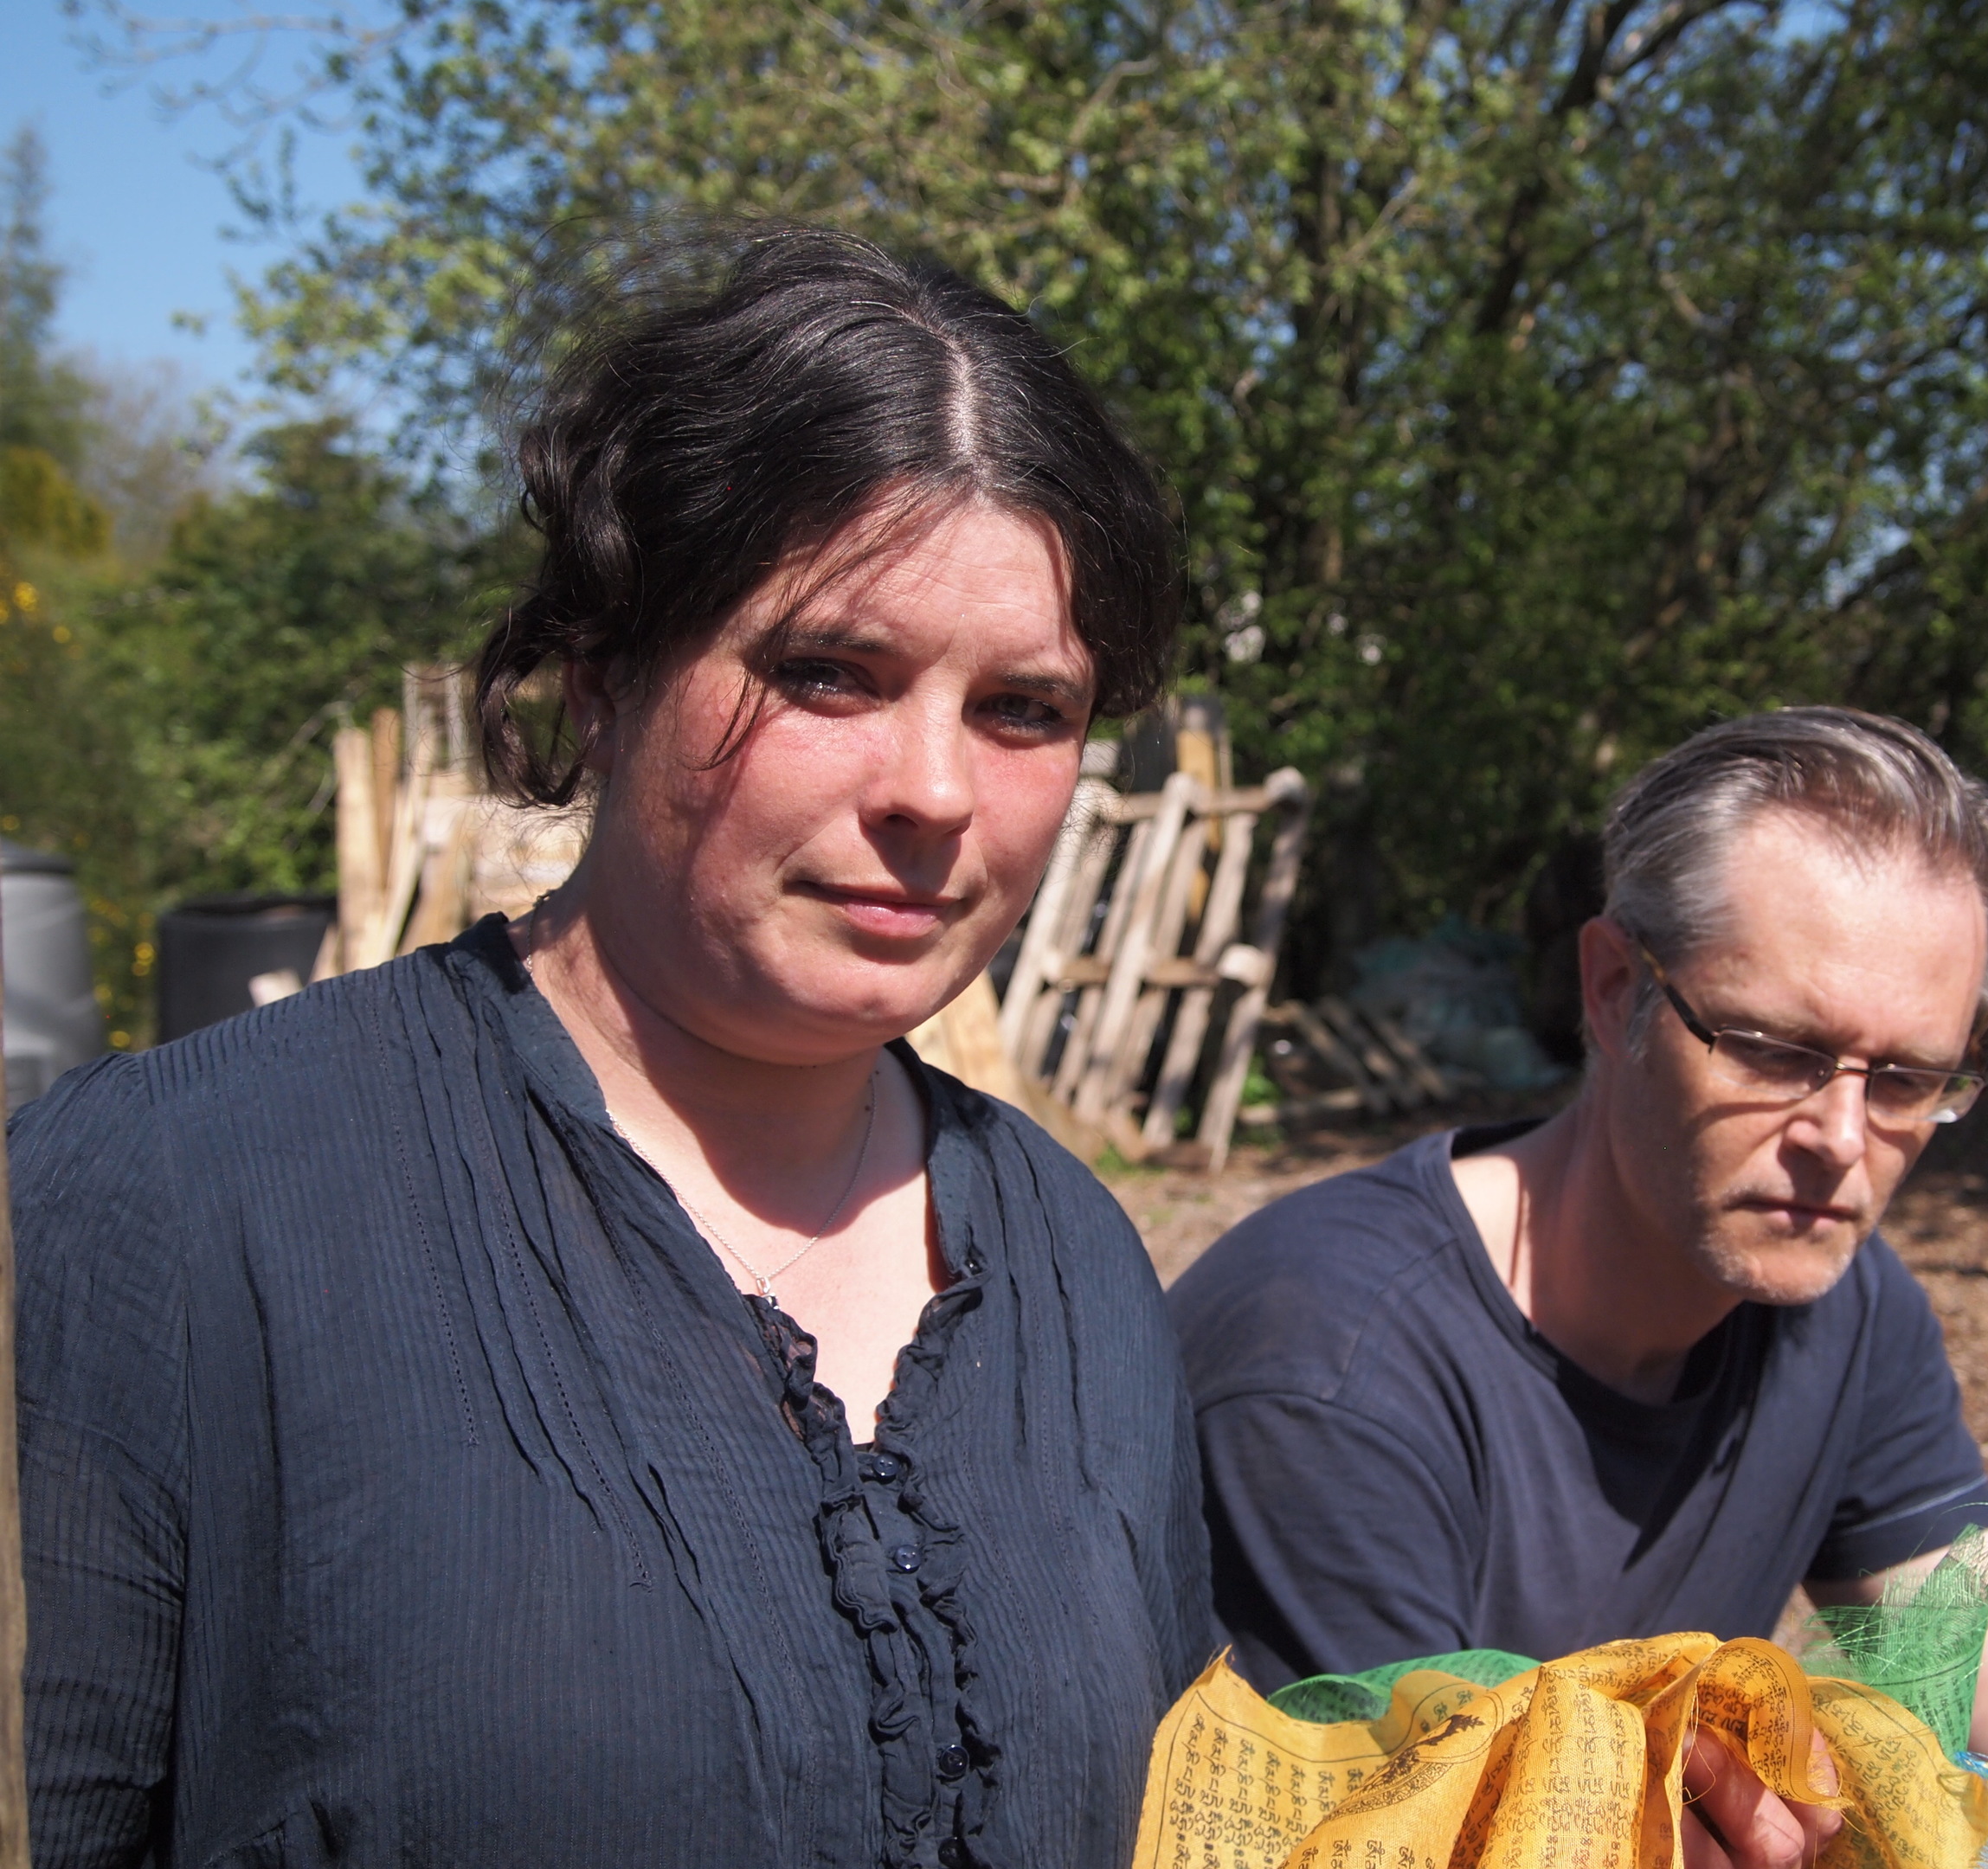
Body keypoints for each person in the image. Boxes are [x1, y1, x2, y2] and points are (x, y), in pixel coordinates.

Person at [13, 228, 1209, 1868]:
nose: (934, 791)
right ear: (601, 677)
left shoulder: (1078, 1267)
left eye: (1023, 708)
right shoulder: (175, 1201)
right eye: (827, 674)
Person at [1169, 707, 1988, 1868]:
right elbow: (1412, 1842)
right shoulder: (1330, 1371)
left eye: (1908, 1079)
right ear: (1616, 987)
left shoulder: (1841, 1315)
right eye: (1773, 1047)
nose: (1840, 1140)